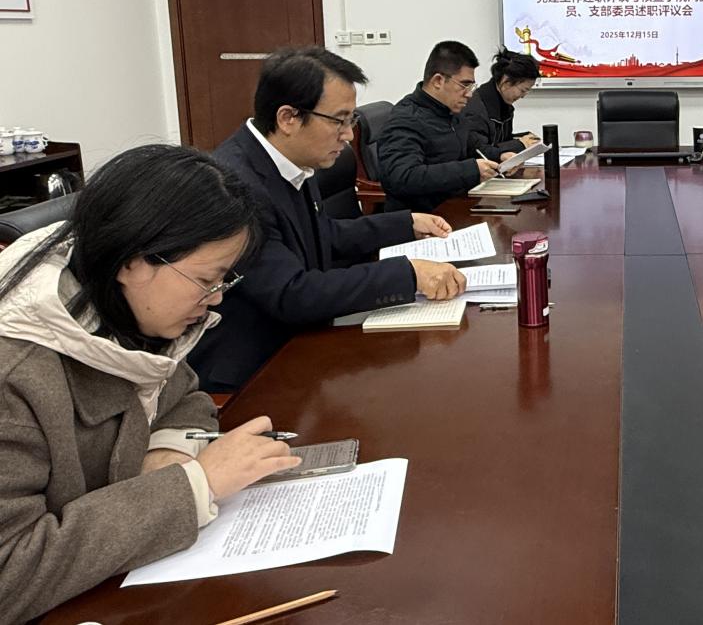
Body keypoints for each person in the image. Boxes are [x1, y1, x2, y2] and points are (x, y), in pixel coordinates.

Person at [0, 145, 302, 622]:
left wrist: (168, 449)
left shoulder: (123, 310)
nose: (216, 298)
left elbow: (184, 393)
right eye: (206, 279)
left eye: (224, 280)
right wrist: (195, 484)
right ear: (132, 261)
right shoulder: (15, 375)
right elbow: (10, 575)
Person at [190, 47, 466, 393]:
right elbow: (291, 293)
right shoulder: (235, 186)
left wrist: (405, 224)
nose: (349, 135)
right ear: (288, 118)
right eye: (339, 120)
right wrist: (409, 274)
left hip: (302, 337)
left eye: (351, 120)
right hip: (255, 369)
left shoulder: (290, 159)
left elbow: (321, 234)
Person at [378, 40, 506, 212]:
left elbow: (473, 147)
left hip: (458, 204)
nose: (469, 94)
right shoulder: (406, 119)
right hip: (424, 217)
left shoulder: (452, 112)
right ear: (438, 81)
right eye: (464, 85)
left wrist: (501, 156)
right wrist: (470, 170)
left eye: (471, 86)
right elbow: (403, 177)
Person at [460, 46, 542, 160]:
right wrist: (520, 144)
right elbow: (479, 152)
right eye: (523, 90)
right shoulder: (475, 109)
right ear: (506, 82)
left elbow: (502, 141)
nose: (523, 96)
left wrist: (525, 140)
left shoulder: (505, 105)